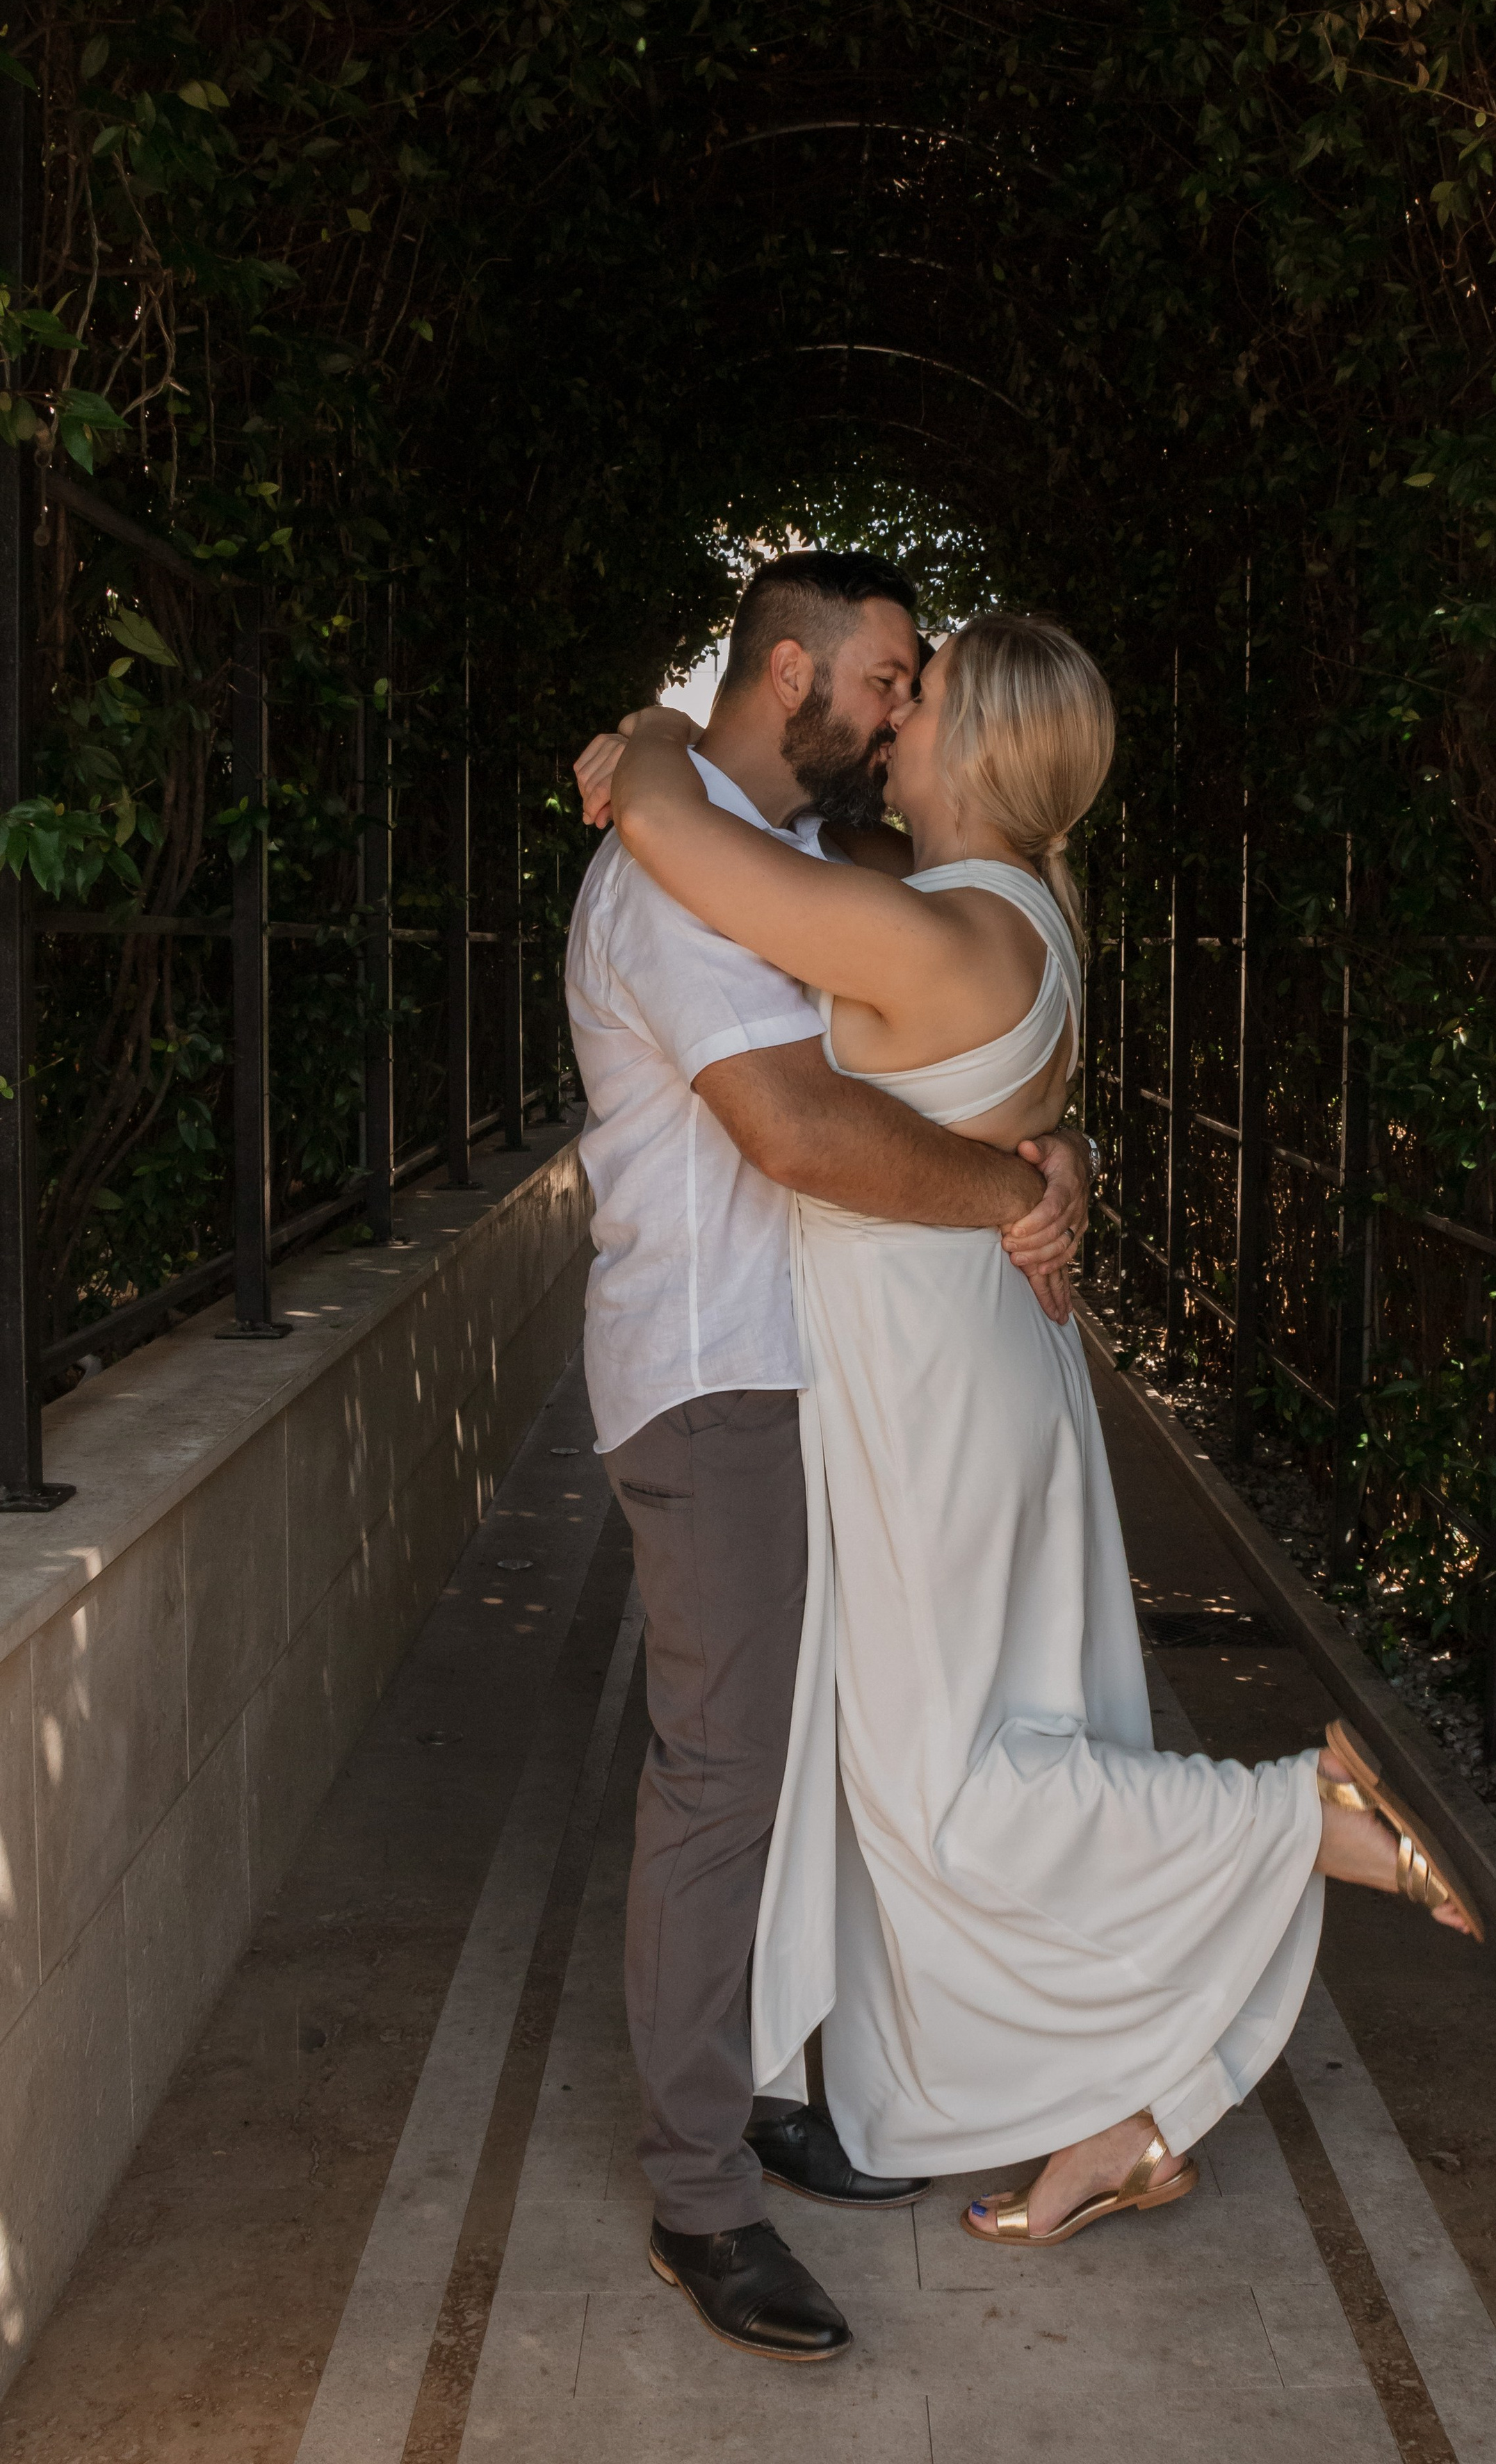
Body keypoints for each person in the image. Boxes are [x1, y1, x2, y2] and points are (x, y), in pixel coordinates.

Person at [601, 607, 1483, 2271]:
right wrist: (1053, 1158)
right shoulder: (1004, 915)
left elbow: (668, 826)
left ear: (982, 742)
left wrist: (643, 737)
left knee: (942, 1793)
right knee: (988, 1743)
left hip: (926, 1386)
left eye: (920, 694)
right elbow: (923, 997)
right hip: (973, 1361)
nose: (892, 717)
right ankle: (1126, 2118)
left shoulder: (936, 932)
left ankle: (1306, 1818)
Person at [563, 552, 1092, 2365]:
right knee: (722, 1777)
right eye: (883, 678)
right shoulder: (669, 872)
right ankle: (698, 2194)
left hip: (819, 1373)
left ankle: (788, 2088)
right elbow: (794, 1131)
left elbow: (952, 1022)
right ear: (787, 672)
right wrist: (1012, 1199)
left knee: (819, 1754)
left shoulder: (783, 853)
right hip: (714, 1378)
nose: (895, 711)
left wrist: (1051, 1147)